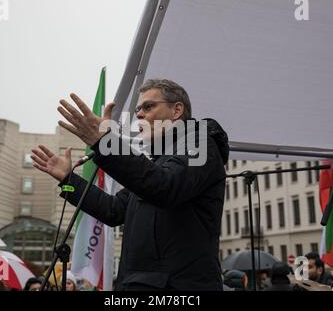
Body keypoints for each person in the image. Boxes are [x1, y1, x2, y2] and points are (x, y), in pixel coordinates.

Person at [31, 79, 229, 291]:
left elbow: (165, 187)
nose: (139, 114)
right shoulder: (158, 162)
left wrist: (104, 144)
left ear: (176, 110)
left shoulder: (201, 145)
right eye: (137, 110)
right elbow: (113, 210)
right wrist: (68, 181)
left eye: (148, 106)